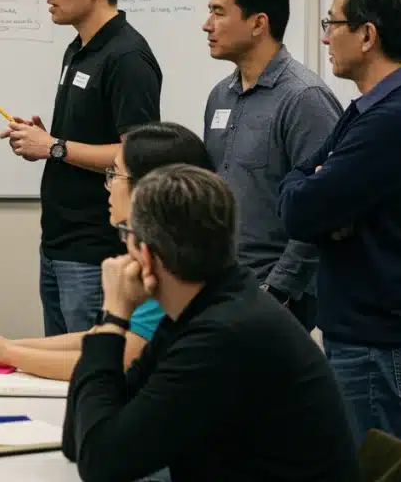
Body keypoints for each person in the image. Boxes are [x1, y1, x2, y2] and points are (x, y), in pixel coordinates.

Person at [63, 164, 358, 481]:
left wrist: (113, 315)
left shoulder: (223, 336)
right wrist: (110, 321)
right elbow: (79, 442)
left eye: (127, 233)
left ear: (146, 256)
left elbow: (99, 464)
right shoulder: (207, 306)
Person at [279, 0, 401, 447]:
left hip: (378, 342)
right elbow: (303, 184)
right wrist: (323, 200)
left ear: (367, 35)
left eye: (332, 24)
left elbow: (300, 211)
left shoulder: (395, 119)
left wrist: (322, 201)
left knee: (374, 469)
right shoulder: (375, 108)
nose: (325, 38)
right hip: (372, 333)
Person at [0, 122, 211, 380]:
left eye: (115, 175)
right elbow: (97, 338)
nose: (108, 186)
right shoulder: (160, 249)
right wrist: (7, 346)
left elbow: (121, 359)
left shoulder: (173, 265)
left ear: (150, 187)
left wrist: (9, 354)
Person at [2, 0, 162, 335]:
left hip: (95, 251)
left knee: (91, 370)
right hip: (58, 241)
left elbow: (138, 154)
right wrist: (46, 139)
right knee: (60, 378)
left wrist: (55, 147)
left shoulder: (127, 57)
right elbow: (83, 139)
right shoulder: (77, 48)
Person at [201, 0, 342, 332]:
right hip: (221, 285)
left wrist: (277, 290)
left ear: (258, 23)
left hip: (276, 296)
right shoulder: (220, 95)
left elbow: (323, 210)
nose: (207, 24)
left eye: (218, 12)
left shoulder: (304, 99)